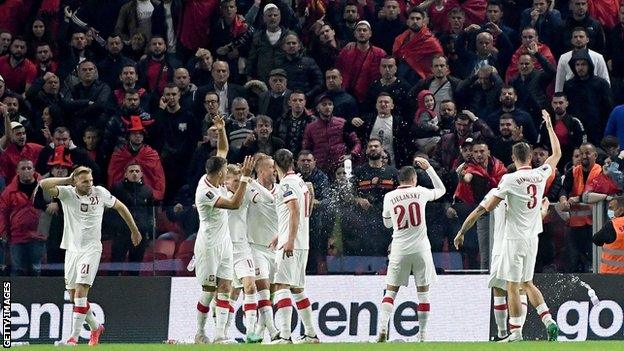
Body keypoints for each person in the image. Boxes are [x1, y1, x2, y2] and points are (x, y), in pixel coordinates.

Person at [454, 109, 561, 342]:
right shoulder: (540, 174)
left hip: (513, 239)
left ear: (513, 158)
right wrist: (550, 126)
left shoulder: (509, 180)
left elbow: (486, 207)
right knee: (528, 283)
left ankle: (515, 333)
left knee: (512, 285)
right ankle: (548, 320)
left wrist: (463, 230)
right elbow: (556, 154)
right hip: (533, 237)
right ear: (531, 157)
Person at [39, 166, 142, 346]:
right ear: (76, 181)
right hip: (71, 249)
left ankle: (73, 338)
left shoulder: (100, 193)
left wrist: (134, 230)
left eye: (91, 180)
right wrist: (66, 181)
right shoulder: (67, 193)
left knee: (80, 291)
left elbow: (121, 207)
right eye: (85, 181)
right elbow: (43, 184)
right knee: (73, 296)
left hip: (91, 249)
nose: (89, 184)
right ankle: (95, 326)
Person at [193, 113, 254, 344]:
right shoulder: (206, 191)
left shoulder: (214, 175)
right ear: (219, 174)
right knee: (210, 289)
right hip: (208, 245)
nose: (228, 173)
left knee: (226, 287)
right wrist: (246, 178)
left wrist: (221, 129)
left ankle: (220, 336)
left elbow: (223, 151)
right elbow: (234, 204)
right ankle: (200, 332)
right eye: (225, 171)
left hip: (225, 242)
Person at [376, 159, 446, 342]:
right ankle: (422, 335)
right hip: (421, 249)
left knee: (391, 291)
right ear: (414, 178)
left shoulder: (389, 197)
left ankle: (382, 329)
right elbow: (441, 190)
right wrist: (429, 168)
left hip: (399, 248)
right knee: (423, 293)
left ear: (399, 180)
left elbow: (386, 223)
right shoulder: (420, 192)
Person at [270, 148, 319, 344]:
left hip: (292, 243)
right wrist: (280, 234)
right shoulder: (301, 182)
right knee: (297, 288)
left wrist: (288, 239)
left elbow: (294, 210)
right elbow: (306, 207)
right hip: (302, 242)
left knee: (282, 285)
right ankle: (311, 334)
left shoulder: (286, 184)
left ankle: (284, 335)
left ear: (275, 166)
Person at [0, 159, 46, 276]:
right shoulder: (9, 192)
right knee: (17, 270)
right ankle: (14, 294)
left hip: (38, 237)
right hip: (17, 237)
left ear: (34, 170)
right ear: (17, 172)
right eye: (23, 168)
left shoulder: (44, 187)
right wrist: (3, 231)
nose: (27, 171)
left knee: (35, 271)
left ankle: (35, 294)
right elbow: (2, 213)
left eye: (29, 168)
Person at [593, 197, 624, 274]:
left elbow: (597, 240)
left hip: (611, 274)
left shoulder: (612, 225)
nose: (609, 211)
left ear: (621, 210)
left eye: (611, 208)